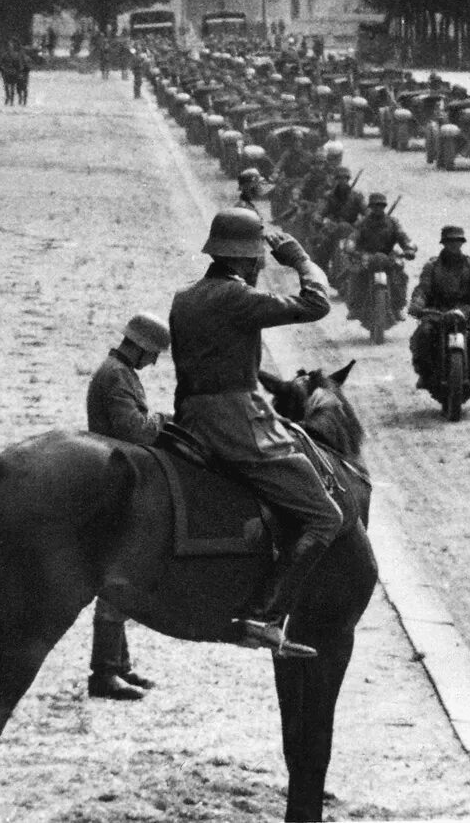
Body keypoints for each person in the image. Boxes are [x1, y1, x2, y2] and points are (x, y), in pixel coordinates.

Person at [167, 209, 338, 658]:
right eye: (259, 255)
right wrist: (299, 259)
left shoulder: (184, 297)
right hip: (236, 422)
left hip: (190, 416)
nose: (263, 262)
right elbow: (316, 304)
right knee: (326, 516)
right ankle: (264, 616)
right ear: (245, 259)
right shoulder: (235, 298)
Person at [85, 312, 170, 700]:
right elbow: (133, 430)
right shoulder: (117, 375)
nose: (153, 362)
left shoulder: (118, 371)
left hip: (118, 473)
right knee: (119, 575)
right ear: (138, 346)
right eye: (152, 353)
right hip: (117, 479)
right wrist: (165, 421)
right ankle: (104, 672)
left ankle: (119, 666)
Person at [410, 225, 470, 394]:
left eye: (457, 241)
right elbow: (423, 289)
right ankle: (425, 374)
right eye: (450, 242)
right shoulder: (432, 265)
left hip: (466, 310)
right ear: (443, 243)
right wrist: (417, 304)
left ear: (462, 243)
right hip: (437, 310)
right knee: (424, 333)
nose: (453, 245)